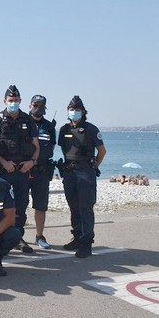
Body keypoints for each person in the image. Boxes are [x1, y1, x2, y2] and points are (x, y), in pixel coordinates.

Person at [0, 85, 39, 254]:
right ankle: (0, 238)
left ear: (20, 101)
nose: (13, 103)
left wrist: (32, 162)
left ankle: (18, 237)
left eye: (16, 100)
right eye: (10, 100)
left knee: (21, 206)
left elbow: (36, 146)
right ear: (5, 101)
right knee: (1, 207)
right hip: (4, 171)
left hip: (23, 171)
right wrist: (3, 162)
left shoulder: (28, 120)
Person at [58, 95, 106, 258]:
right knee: (73, 207)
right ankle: (77, 237)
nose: (74, 112)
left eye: (77, 110)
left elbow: (102, 151)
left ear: (83, 111)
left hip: (86, 173)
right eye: (71, 110)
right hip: (69, 173)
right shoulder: (64, 130)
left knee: (85, 208)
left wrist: (94, 166)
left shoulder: (91, 129)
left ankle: (86, 243)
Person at [28, 95, 57, 249]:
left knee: (41, 206)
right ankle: (17, 237)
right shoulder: (23, 122)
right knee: (19, 205)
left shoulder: (49, 126)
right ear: (30, 105)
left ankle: (39, 236)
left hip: (41, 171)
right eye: (35, 104)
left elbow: (51, 147)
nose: (38, 107)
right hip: (24, 170)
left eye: (41, 105)